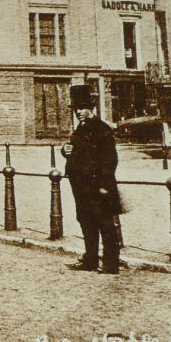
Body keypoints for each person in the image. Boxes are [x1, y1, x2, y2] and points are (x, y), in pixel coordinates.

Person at [61, 84, 123, 275]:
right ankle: (90, 258)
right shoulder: (81, 127)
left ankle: (111, 263)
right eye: (76, 108)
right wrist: (66, 150)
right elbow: (75, 150)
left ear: (92, 108)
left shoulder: (101, 128)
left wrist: (105, 185)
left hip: (97, 185)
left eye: (82, 108)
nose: (79, 112)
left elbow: (110, 159)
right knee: (86, 221)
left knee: (104, 222)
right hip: (81, 185)